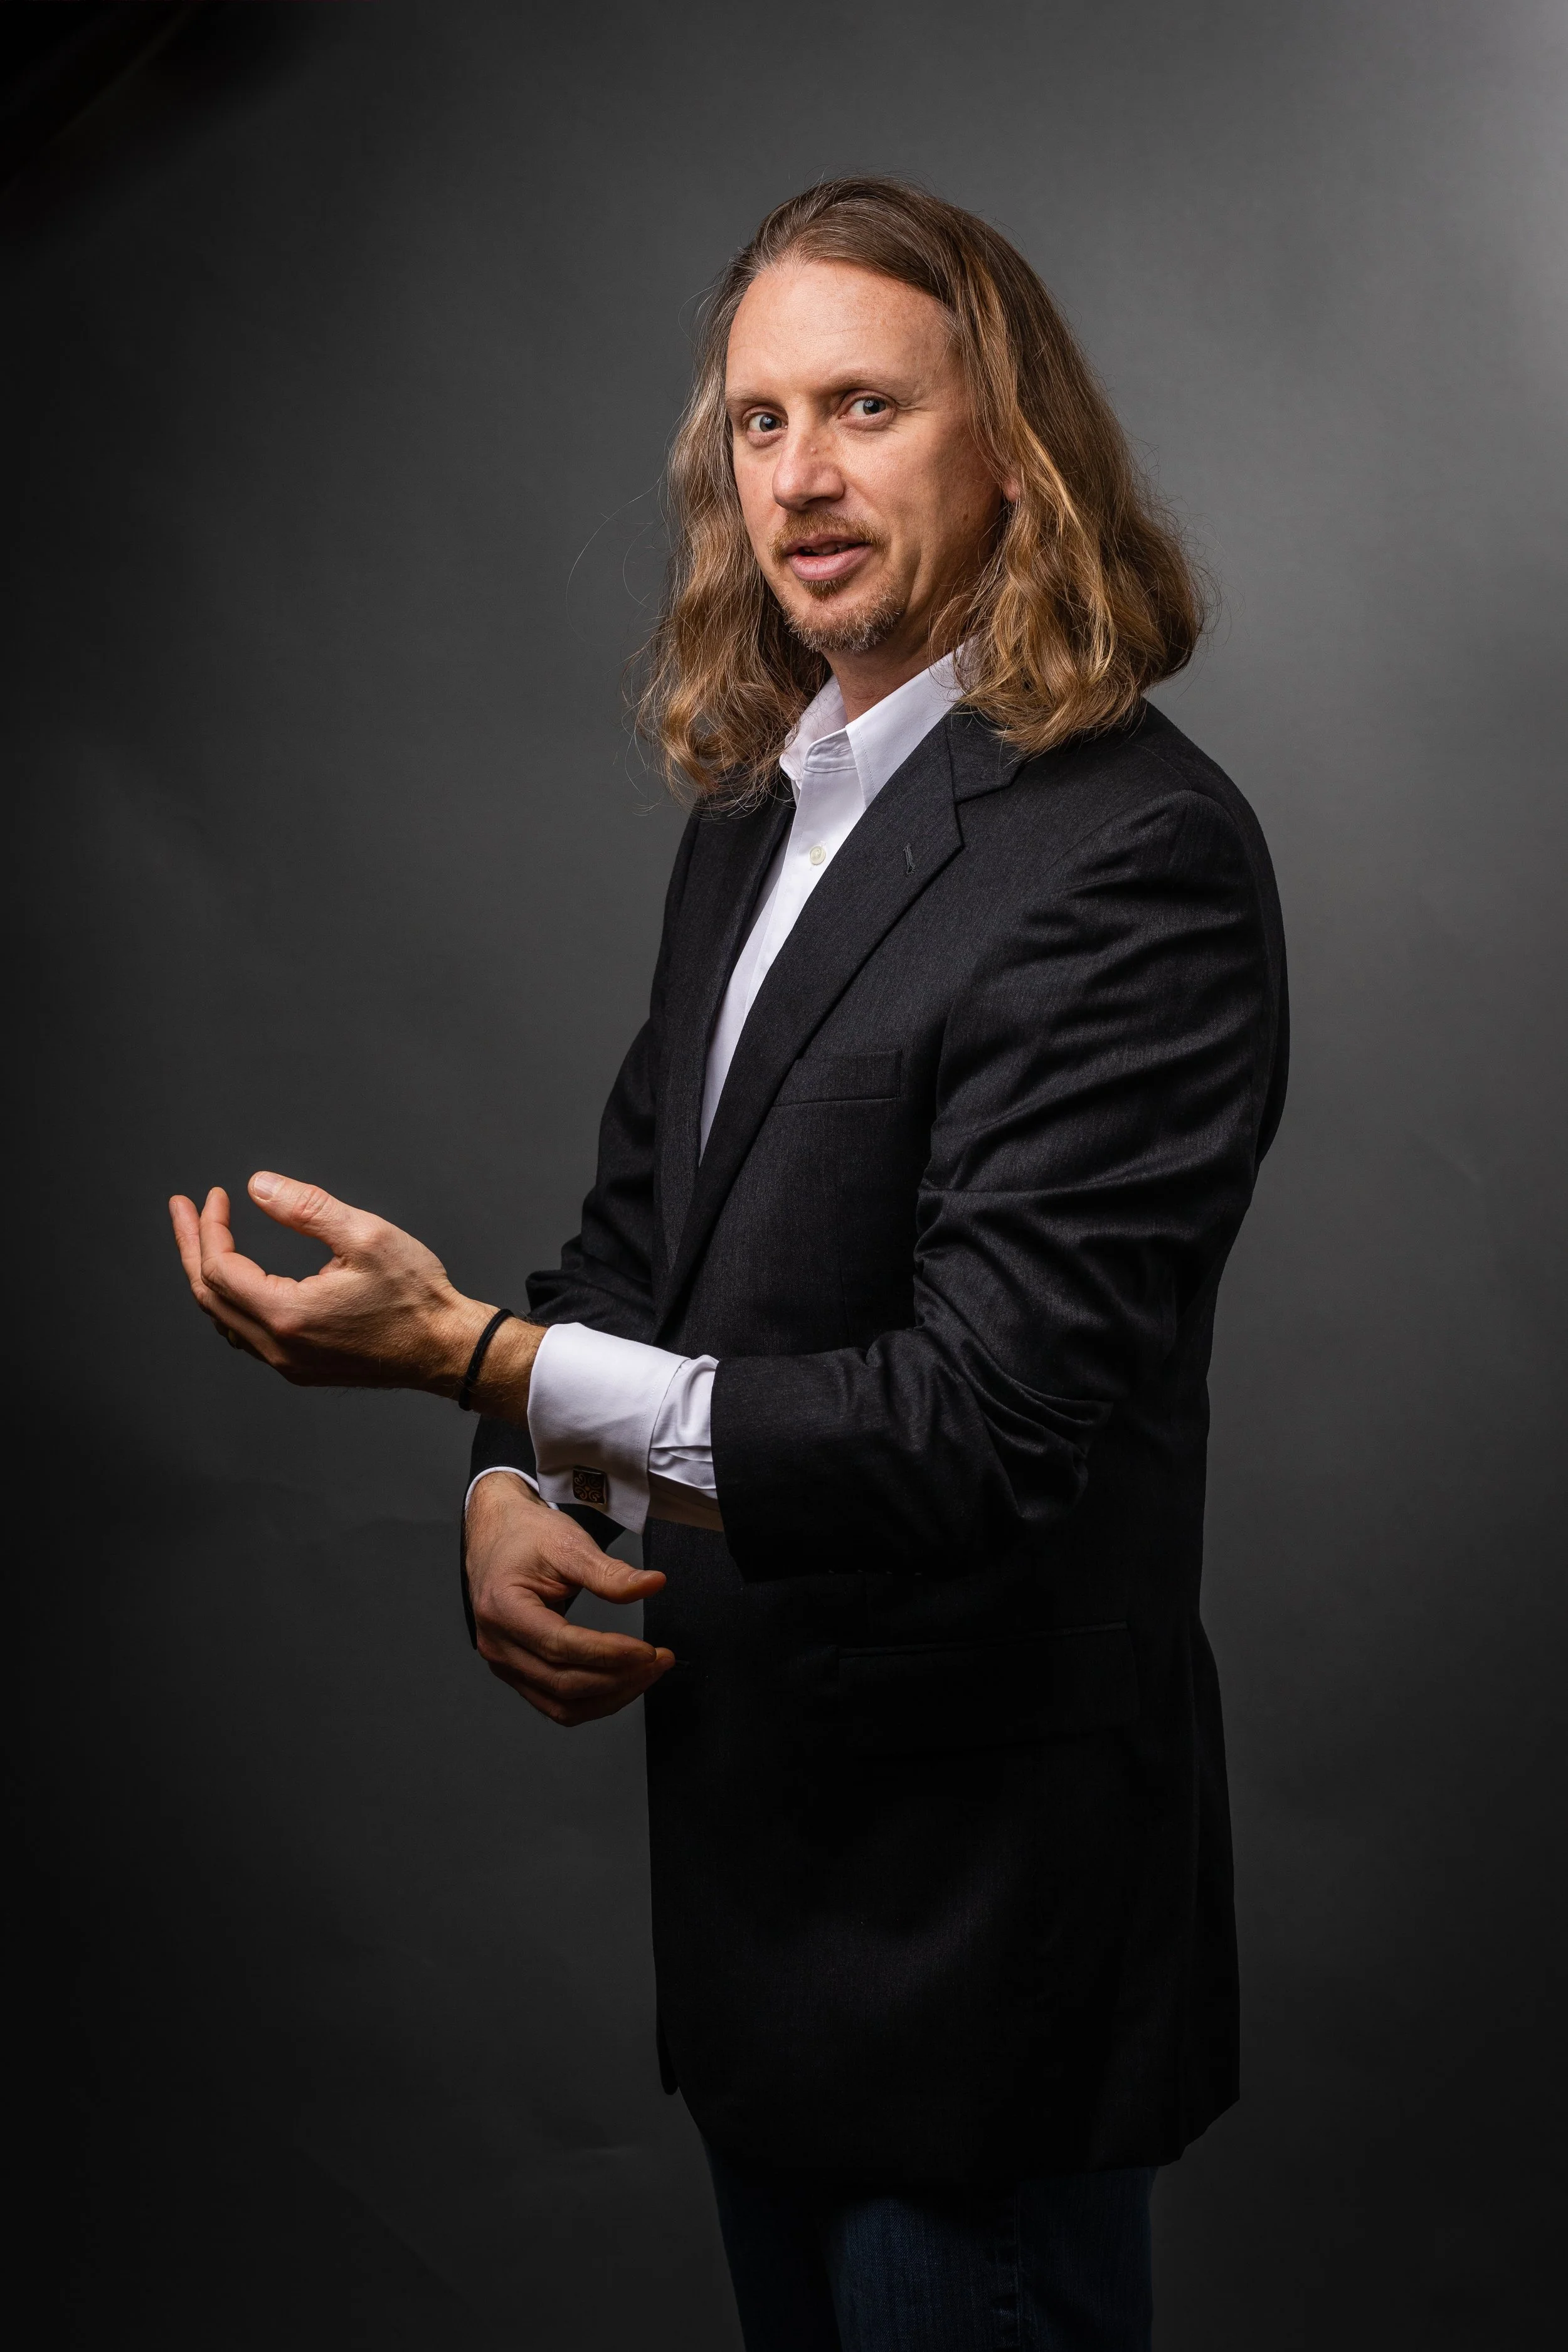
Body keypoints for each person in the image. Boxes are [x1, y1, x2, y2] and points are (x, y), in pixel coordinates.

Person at [171, 179, 1286, 2352]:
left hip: (979, 1944)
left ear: (1011, 447)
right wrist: (519, 1485)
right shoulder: (756, 822)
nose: (800, 473)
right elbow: (636, 1257)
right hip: (765, 1909)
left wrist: (478, 1365)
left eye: (863, 405)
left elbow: (981, 1425)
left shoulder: (1132, 850)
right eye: (758, 422)